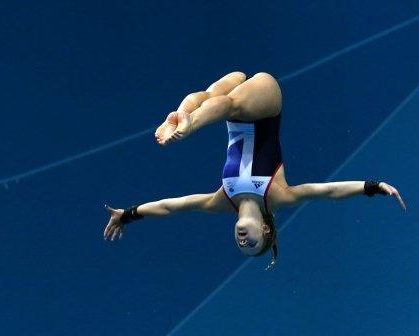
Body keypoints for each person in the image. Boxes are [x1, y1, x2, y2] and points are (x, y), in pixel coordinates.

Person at [103, 72, 405, 268]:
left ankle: (182, 114)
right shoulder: (278, 197)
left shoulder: (222, 201)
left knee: (211, 97)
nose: (243, 241)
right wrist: (372, 187)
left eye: (240, 245)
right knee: (229, 104)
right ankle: (188, 122)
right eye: (252, 243)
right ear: (265, 230)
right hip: (266, 104)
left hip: (230, 115)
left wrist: (129, 214)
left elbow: (173, 207)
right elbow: (326, 192)